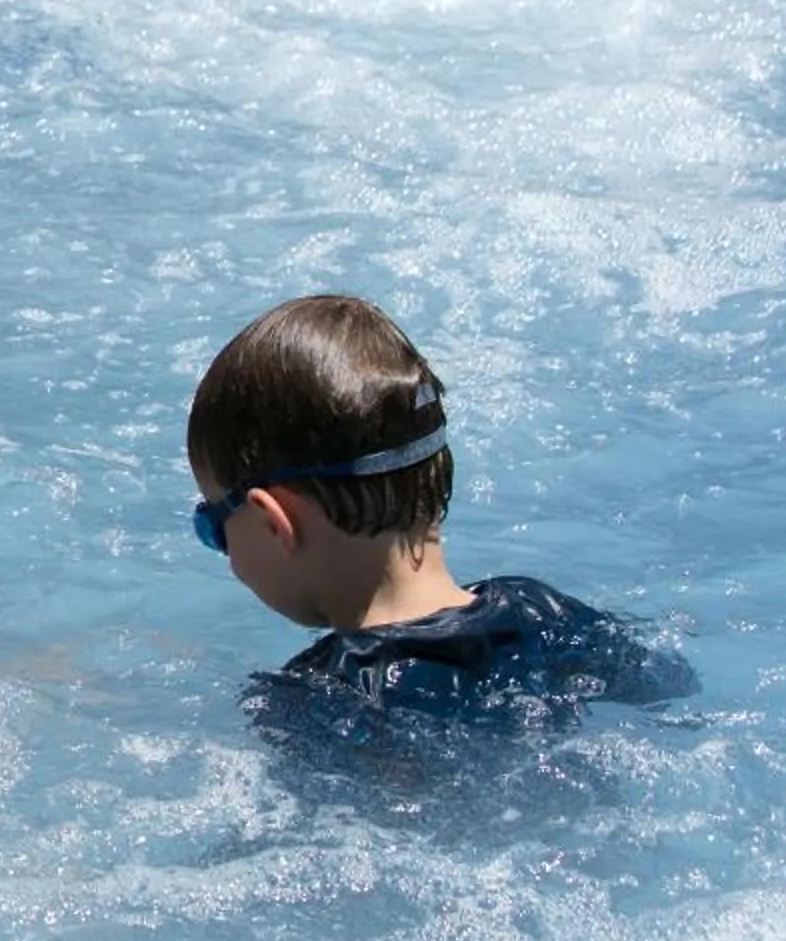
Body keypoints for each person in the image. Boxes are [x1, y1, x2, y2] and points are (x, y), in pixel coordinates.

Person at [185, 293, 694, 732]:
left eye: (213, 529)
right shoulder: (547, 616)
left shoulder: (314, 698)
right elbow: (669, 690)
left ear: (276, 522)